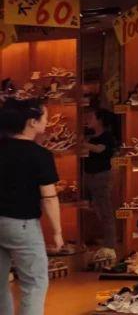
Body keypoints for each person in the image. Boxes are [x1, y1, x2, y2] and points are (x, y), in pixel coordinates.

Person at [0, 98, 63, 315]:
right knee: (34, 282)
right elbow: (49, 197)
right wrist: (57, 232)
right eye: (45, 117)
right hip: (22, 224)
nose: (47, 121)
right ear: (32, 122)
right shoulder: (39, 154)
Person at [80, 108, 119, 253]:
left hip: (101, 176)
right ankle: (101, 238)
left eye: (92, 117)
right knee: (94, 208)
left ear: (100, 120)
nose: (88, 120)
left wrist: (83, 144)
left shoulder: (107, 136)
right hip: (88, 175)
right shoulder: (90, 137)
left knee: (105, 210)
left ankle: (110, 245)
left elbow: (100, 149)